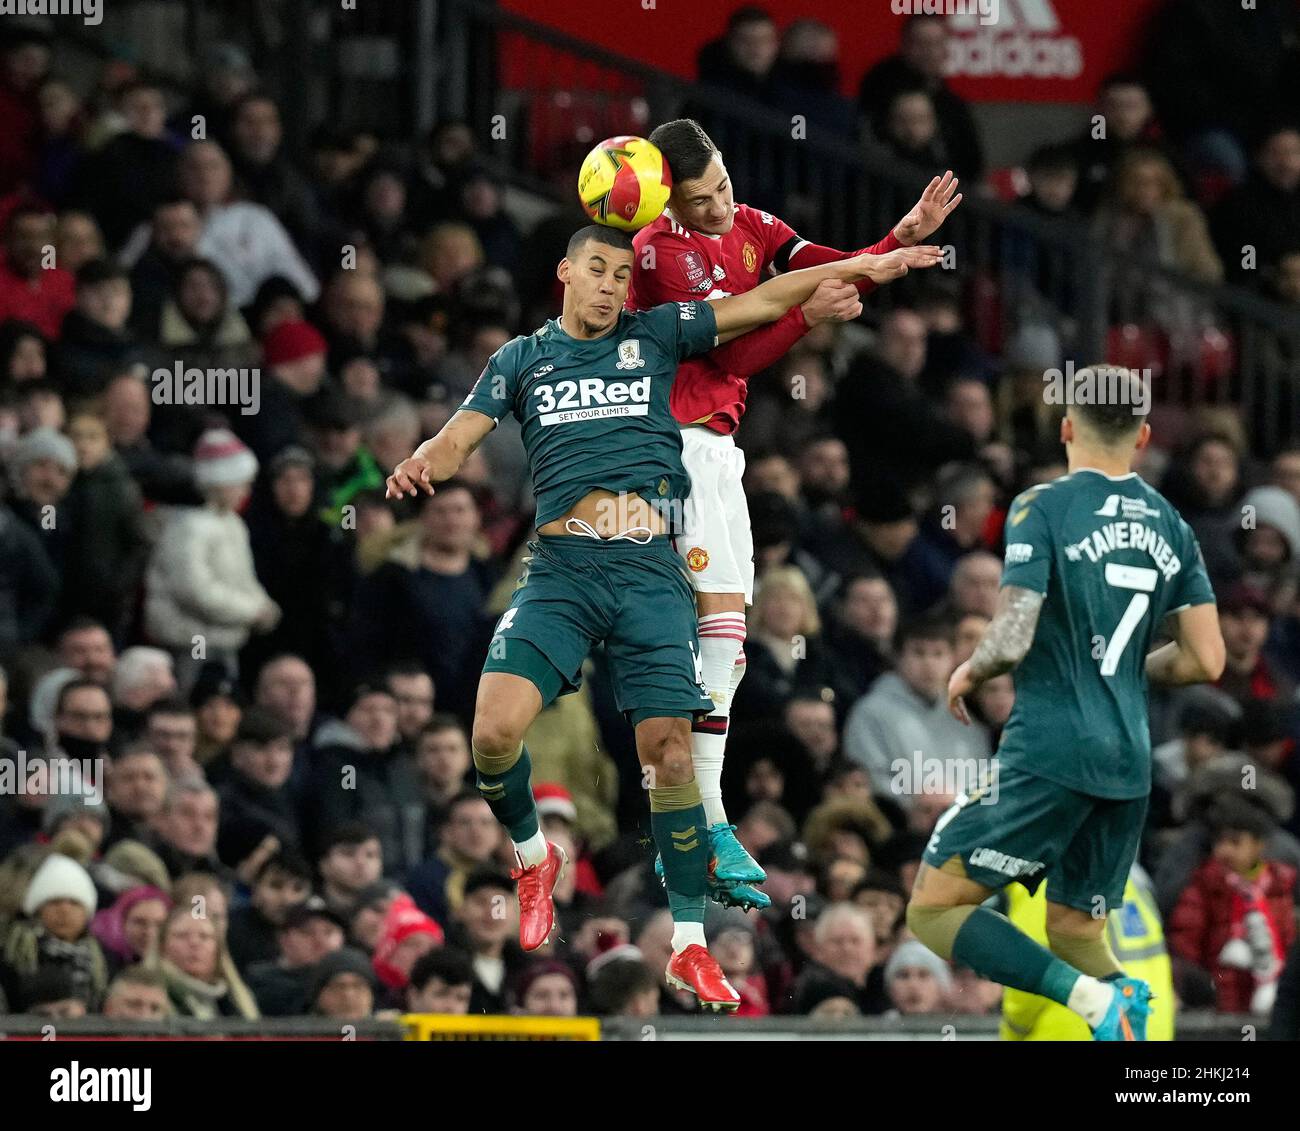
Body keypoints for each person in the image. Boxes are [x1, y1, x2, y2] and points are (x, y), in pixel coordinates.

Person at [386, 222, 940, 1010]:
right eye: (599, 271)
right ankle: (533, 856)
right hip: (562, 574)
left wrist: (871, 261)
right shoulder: (519, 358)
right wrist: (418, 465)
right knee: (492, 734)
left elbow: (767, 297)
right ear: (565, 274)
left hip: (649, 573)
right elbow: (458, 438)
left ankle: (687, 944)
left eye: (622, 273)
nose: (613, 285)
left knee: (670, 758)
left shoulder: (657, 332)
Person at [626, 117, 959, 913]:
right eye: (700, 200)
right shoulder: (658, 252)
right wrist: (811, 318)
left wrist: (895, 240)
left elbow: (821, 271)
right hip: (669, 442)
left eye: (724, 189)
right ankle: (695, 817)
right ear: (670, 196)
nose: (718, 209)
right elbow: (735, 351)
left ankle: (705, 814)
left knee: (729, 642)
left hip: (716, 450)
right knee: (703, 637)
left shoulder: (751, 226)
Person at [908, 366, 1225, 1041]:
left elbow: (1015, 628)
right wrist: (1123, 669)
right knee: (1077, 929)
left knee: (931, 911)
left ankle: (1093, 1004)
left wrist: (972, 666)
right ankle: (1121, 1006)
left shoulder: (1042, 505)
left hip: (1052, 748)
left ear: (1066, 427)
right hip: (1129, 760)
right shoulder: (1174, 526)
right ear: (1142, 436)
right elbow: (1207, 658)